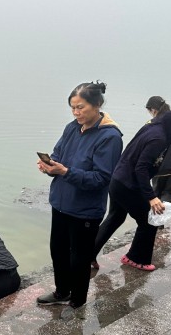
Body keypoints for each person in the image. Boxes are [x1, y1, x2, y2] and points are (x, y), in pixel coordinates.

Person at [36, 81, 123, 309]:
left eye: (81, 107)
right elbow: (58, 154)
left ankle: (78, 301)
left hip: (85, 209)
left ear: (97, 104)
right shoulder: (72, 127)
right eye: (73, 108)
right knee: (58, 251)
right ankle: (62, 291)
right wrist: (50, 166)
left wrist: (65, 171)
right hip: (61, 203)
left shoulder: (110, 137)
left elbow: (102, 178)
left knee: (80, 258)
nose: (76, 113)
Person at [93, 101, 171, 270]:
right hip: (128, 184)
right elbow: (141, 168)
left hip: (118, 179)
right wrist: (151, 197)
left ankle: (87, 256)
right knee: (151, 221)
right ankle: (136, 259)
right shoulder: (159, 137)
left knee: (115, 217)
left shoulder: (153, 126)